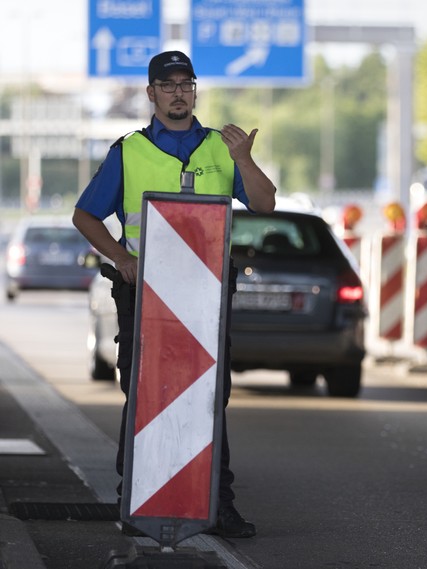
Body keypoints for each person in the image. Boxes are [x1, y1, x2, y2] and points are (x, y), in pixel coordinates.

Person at [72, 50, 276, 538]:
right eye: (168, 85)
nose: (178, 92)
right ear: (151, 94)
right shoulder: (130, 150)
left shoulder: (221, 147)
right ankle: (135, 500)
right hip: (144, 293)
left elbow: (265, 201)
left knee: (210, 396)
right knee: (142, 392)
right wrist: (122, 260)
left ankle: (216, 504)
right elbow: (85, 215)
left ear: (195, 90)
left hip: (206, 292)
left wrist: (243, 159)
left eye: (186, 83)